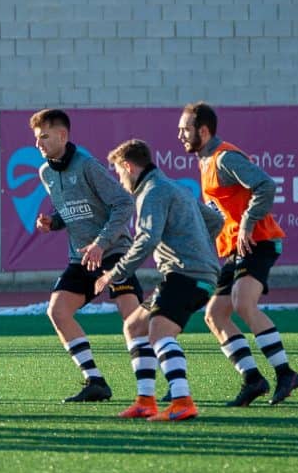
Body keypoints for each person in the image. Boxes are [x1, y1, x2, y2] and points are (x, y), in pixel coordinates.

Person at [95, 138, 225, 423]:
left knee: (159, 334)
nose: (120, 179)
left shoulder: (152, 191)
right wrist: (198, 248)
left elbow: (146, 240)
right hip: (189, 273)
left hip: (186, 275)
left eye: (118, 172)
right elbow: (216, 222)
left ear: (128, 166)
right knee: (135, 325)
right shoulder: (171, 185)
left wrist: (113, 274)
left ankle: (182, 401)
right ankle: (145, 401)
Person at [183, 102, 298, 407]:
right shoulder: (205, 160)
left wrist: (248, 223)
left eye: (185, 130)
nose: (181, 135)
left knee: (242, 303)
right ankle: (253, 379)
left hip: (258, 241)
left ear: (204, 130)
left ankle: (286, 373)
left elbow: (265, 184)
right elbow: (220, 212)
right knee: (214, 315)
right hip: (235, 249)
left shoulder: (224, 158)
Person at [27, 109, 146, 409]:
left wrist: (101, 243)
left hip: (114, 252)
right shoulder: (45, 172)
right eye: (36, 138)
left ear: (63, 136)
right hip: (80, 258)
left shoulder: (87, 165)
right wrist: (52, 223)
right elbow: (72, 212)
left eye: (44, 136)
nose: (38, 144)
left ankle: (164, 383)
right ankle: (95, 381)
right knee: (57, 311)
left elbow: (123, 204)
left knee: (133, 319)